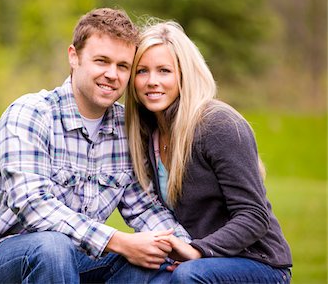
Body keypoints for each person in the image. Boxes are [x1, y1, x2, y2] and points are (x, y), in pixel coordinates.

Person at [0, 8, 191, 284]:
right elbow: (33, 205)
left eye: (123, 66)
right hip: (7, 264)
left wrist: (183, 248)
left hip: (81, 261)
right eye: (101, 61)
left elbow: (143, 206)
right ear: (74, 57)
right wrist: (118, 240)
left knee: (156, 261)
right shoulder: (31, 113)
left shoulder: (125, 126)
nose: (112, 74)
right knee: (52, 247)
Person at [125, 19, 293, 283]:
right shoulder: (148, 132)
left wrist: (197, 251)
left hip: (256, 262)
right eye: (142, 71)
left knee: (188, 276)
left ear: (184, 74)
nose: (152, 81)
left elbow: (254, 216)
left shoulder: (218, 124)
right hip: (197, 260)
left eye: (164, 71)